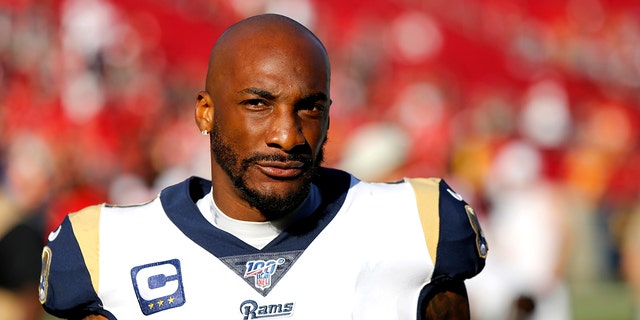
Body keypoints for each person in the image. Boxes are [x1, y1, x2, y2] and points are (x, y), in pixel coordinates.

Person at [38, 13, 487, 319]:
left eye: (309, 108)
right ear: (206, 112)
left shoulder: (413, 226)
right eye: (258, 104)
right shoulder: (110, 252)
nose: (287, 136)